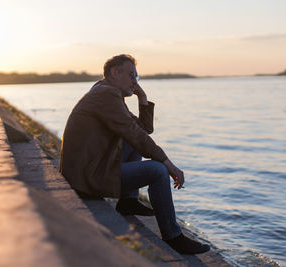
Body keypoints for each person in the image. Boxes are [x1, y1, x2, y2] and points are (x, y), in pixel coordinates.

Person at [60, 54, 209, 254]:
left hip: (85, 170)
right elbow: (138, 135)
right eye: (132, 75)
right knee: (157, 171)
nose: (135, 81)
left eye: (137, 77)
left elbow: (142, 130)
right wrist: (168, 164)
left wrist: (143, 98)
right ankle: (173, 237)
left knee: (132, 141)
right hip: (86, 178)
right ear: (115, 73)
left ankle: (128, 201)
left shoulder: (105, 91)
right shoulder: (106, 95)